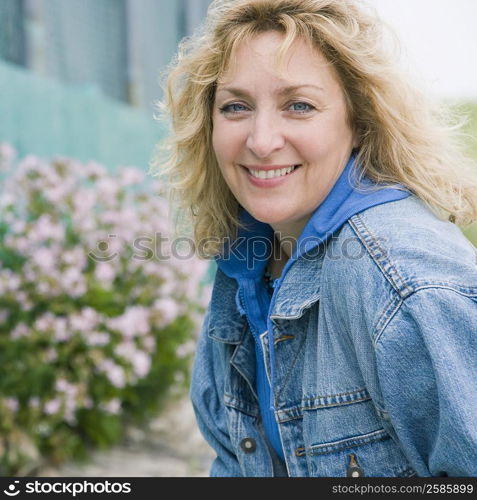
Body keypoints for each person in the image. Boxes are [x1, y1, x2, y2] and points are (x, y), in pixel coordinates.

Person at [154, 0, 477, 477]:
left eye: (299, 106)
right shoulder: (247, 257)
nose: (261, 141)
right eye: (236, 106)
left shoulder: (403, 283)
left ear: (359, 123)